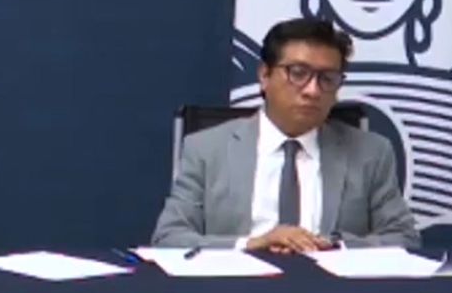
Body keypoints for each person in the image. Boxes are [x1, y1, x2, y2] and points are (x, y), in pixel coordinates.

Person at [153, 18, 420, 252]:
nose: (313, 90)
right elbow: (169, 238)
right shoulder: (207, 149)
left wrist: (333, 246)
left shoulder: (371, 152)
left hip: (332, 289)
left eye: (327, 78)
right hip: (237, 288)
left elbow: (404, 237)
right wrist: (251, 244)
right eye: (298, 73)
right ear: (264, 75)